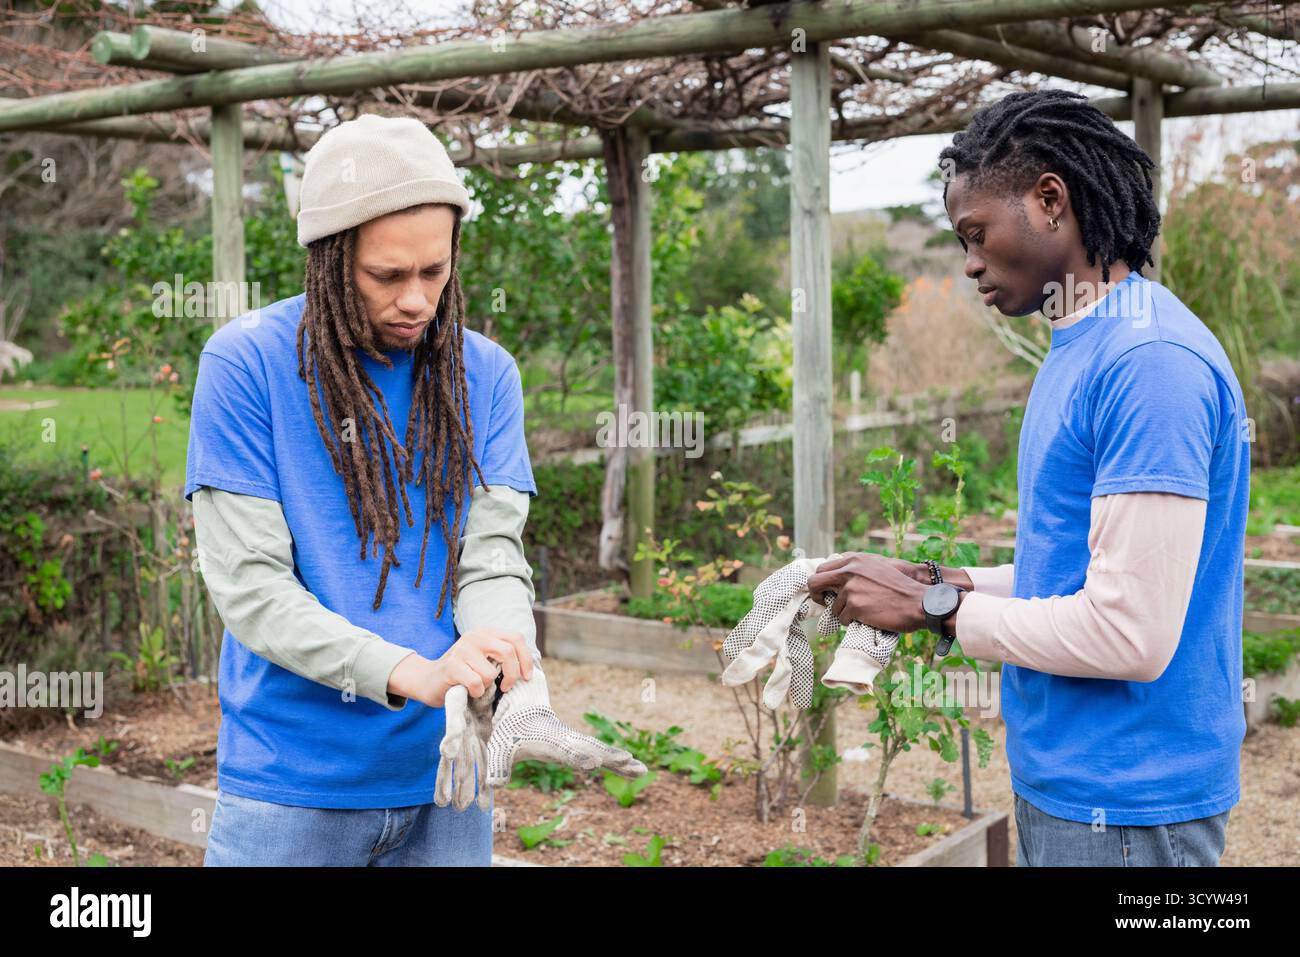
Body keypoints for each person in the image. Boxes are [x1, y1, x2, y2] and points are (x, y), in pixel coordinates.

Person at [807, 89, 1249, 867]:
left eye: (977, 233)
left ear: (1051, 200)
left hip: (1129, 804)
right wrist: (949, 579)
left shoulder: (1150, 366)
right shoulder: (1080, 344)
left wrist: (932, 608)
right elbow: (1076, 573)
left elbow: (1130, 633)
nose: (970, 262)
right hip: (1069, 780)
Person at [187, 114, 640, 867]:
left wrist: (505, 661)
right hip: (293, 786)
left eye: (436, 271)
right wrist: (415, 674)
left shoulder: (484, 373)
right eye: (388, 275)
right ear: (330, 262)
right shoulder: (247, 366)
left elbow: (490, 557)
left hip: (449, 778)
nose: (418, 300)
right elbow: (253, 590)